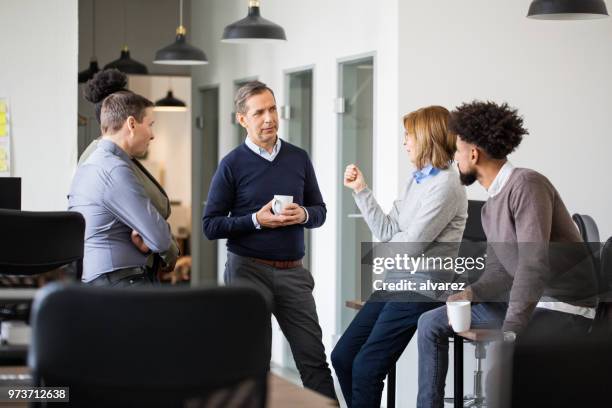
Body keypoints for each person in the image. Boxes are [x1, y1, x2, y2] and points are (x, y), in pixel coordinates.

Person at [416, 101, 598, 408]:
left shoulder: (527, 184)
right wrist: (469, 293)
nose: (454, 159)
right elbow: (501, 273)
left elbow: (532, 265)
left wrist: (511, 334)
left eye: (458, 151)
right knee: (430, 322)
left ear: (473, 154)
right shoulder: (491, 207)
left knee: (500, 380)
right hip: (530, 302)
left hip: (562, 307)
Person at [202, 81, 336, 400]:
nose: (268, 118)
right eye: (259, 112)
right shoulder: (232, 165)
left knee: (314, 361)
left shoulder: (298, 158)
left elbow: (320, 212)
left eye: (272, 109)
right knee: (252, 362)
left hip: (293, 273)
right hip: (247, 271)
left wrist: (302, 214)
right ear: (242, 119)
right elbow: (211, 225)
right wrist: (255, 221)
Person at [331, 106, 468, 408]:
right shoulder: (417, 179)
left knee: (367, 367)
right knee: (342, 356)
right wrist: (361, 191)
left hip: (421, 288)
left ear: (426, 137)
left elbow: (410, 247)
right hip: (396, 281)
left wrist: (395, 246)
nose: (404, 142)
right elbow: (388, 229)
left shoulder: (447, 185)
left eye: (408, 136)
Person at [68, 74, 176, 287]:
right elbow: (160, 237)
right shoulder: (114, 168)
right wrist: (156, 239)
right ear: (131, 123)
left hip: (109, 279)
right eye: (150, 124)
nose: (153, 135)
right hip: (121, 282)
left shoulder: (98, 160)